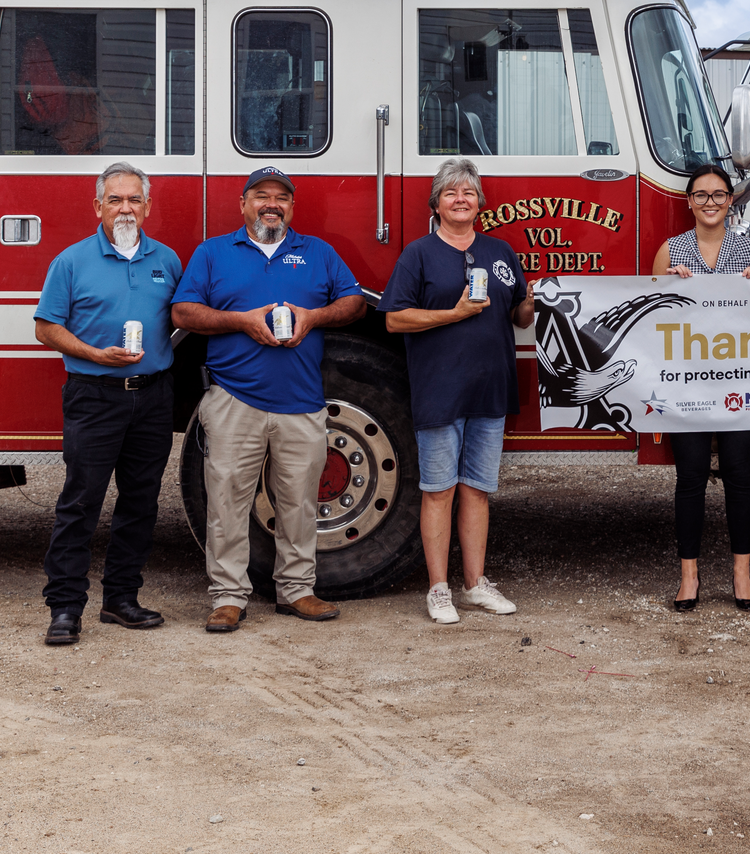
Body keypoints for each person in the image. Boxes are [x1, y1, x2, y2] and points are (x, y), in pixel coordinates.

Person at [172, 167, 366, 633]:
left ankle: (297, 590)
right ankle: (228, 597)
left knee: (299, 503)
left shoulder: (317, 253)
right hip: (234, 400)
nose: (271, 204)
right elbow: (183, 311)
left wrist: (313, 315)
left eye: (281, 197)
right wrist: (242, 321)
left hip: (301, 402)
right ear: (243, 205)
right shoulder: (214, 252)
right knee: (227, 503)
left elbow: (355, 302)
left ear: (292, 207)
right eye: (261, 196)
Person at [33, 162, 185, 646]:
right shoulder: (71, 262)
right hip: (94, 396)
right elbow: (45, 328)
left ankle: (121, 599)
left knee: (140, 503)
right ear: (97, 207)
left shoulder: (168, 260)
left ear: (148, 207)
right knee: (81, 502)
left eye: (134, 200)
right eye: (115, 200)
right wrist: (95, 353)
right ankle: (64, 607)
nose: (125, 208)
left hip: (154, 396)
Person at [383, 158, 535, 623]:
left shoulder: (501, 251)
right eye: (451, 193)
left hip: (489, 390)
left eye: (468, 192)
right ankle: (438, 589)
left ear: (480, 203)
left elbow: (520, 316)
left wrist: (531, 300)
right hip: (439, 391)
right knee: (438, 491)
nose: (461, 199)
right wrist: (452, 314)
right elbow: (394, 319)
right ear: (436, 203)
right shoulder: (418, 254)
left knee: (478, 490)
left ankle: (474, 585)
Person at [654, 162, 750, 612]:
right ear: (688, 202)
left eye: (719, 194)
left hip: (740, 379)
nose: (710, 203)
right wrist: (668, 286)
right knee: (691, 478)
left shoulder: (748, 248)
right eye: (701, 195)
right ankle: (689, 576)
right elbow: (652, 314)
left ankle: (742, 573)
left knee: (740, 477)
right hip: (688, 383)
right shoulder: (672, 249)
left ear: (730, 200)